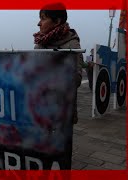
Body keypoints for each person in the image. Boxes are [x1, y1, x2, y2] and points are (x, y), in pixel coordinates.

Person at [33, 3, 84, 169]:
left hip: (62, 111)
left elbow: (75, 79)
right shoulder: (40, 43)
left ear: (57, 21)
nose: (38, 23)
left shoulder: (72, 45)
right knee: (41, 152)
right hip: (41, 110)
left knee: (62, 154)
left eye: (43, 18)